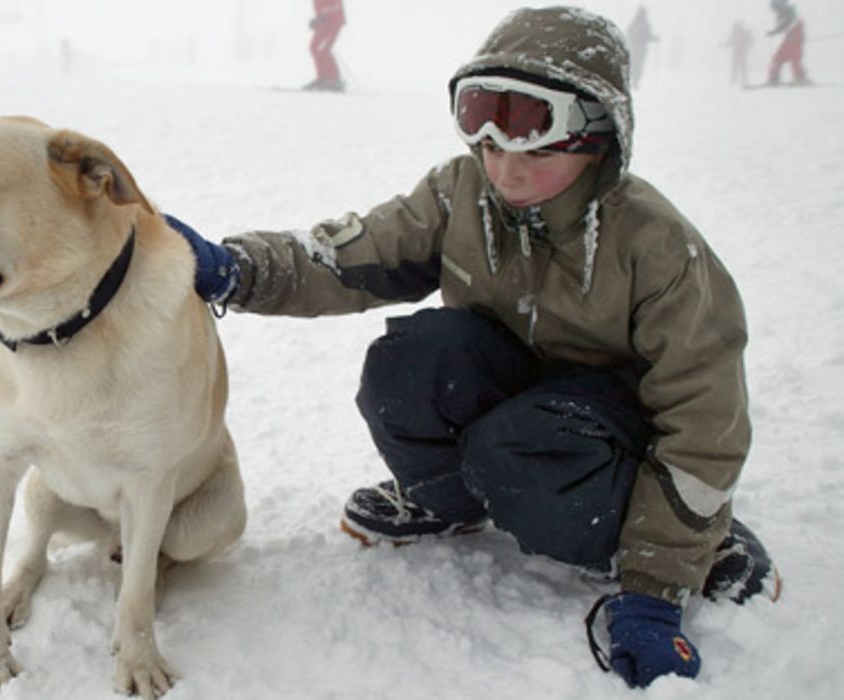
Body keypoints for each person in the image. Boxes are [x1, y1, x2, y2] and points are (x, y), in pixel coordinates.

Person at [170, 6, 780, 689]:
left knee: (521, 448)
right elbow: (350, 259)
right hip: (523, 399)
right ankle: (452, 500)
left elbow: (705, 420)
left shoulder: (658, 248)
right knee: (410, 361)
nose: (504, 170)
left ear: (597, 138)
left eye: (532, 148)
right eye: (486, 143)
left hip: (607, 430)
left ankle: (695, 540)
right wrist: (238, 268)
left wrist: (658, 580)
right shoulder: (460, 193)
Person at [304, 0, 346, 92]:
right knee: (314, 48)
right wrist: (318, 18)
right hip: (324, 23)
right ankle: (323, 78)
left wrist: (323, 16)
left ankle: (334, 79)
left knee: (322, 49)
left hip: (332, 23)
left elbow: (335, 5)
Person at [766, 0, 809, 85]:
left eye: (775, 7)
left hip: (795, 38)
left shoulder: (790, 12)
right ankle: (774, 78)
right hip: (789, 38)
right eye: (774, 8)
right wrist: (774, 31)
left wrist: (774, 31)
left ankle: (800, 77)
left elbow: (788, 24)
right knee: (778, 57)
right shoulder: (781, 14)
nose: (775, 10)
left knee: (794, 58)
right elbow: (783, 26)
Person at [624, 6, 658, 90]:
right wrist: (654, 38)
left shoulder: (635, 22)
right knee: (638, 66)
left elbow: (629, 32)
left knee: (634, 65)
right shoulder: (643, 24)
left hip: (634, 48)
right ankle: (635, 82)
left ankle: (631, 81)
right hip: (640, 49)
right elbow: (648, 35)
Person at [724, 20, 754, 85]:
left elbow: (750, 41)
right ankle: (735, 78)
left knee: (740, 64)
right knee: (736, 65)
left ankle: (741, 78)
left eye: (737, 26)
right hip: (738, 51)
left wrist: (748, 46)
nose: (736, 28)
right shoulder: (735, 33)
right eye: (736, 27)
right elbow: (730, 41)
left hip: (742, 51)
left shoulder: (744, 33)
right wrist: (724, 45)